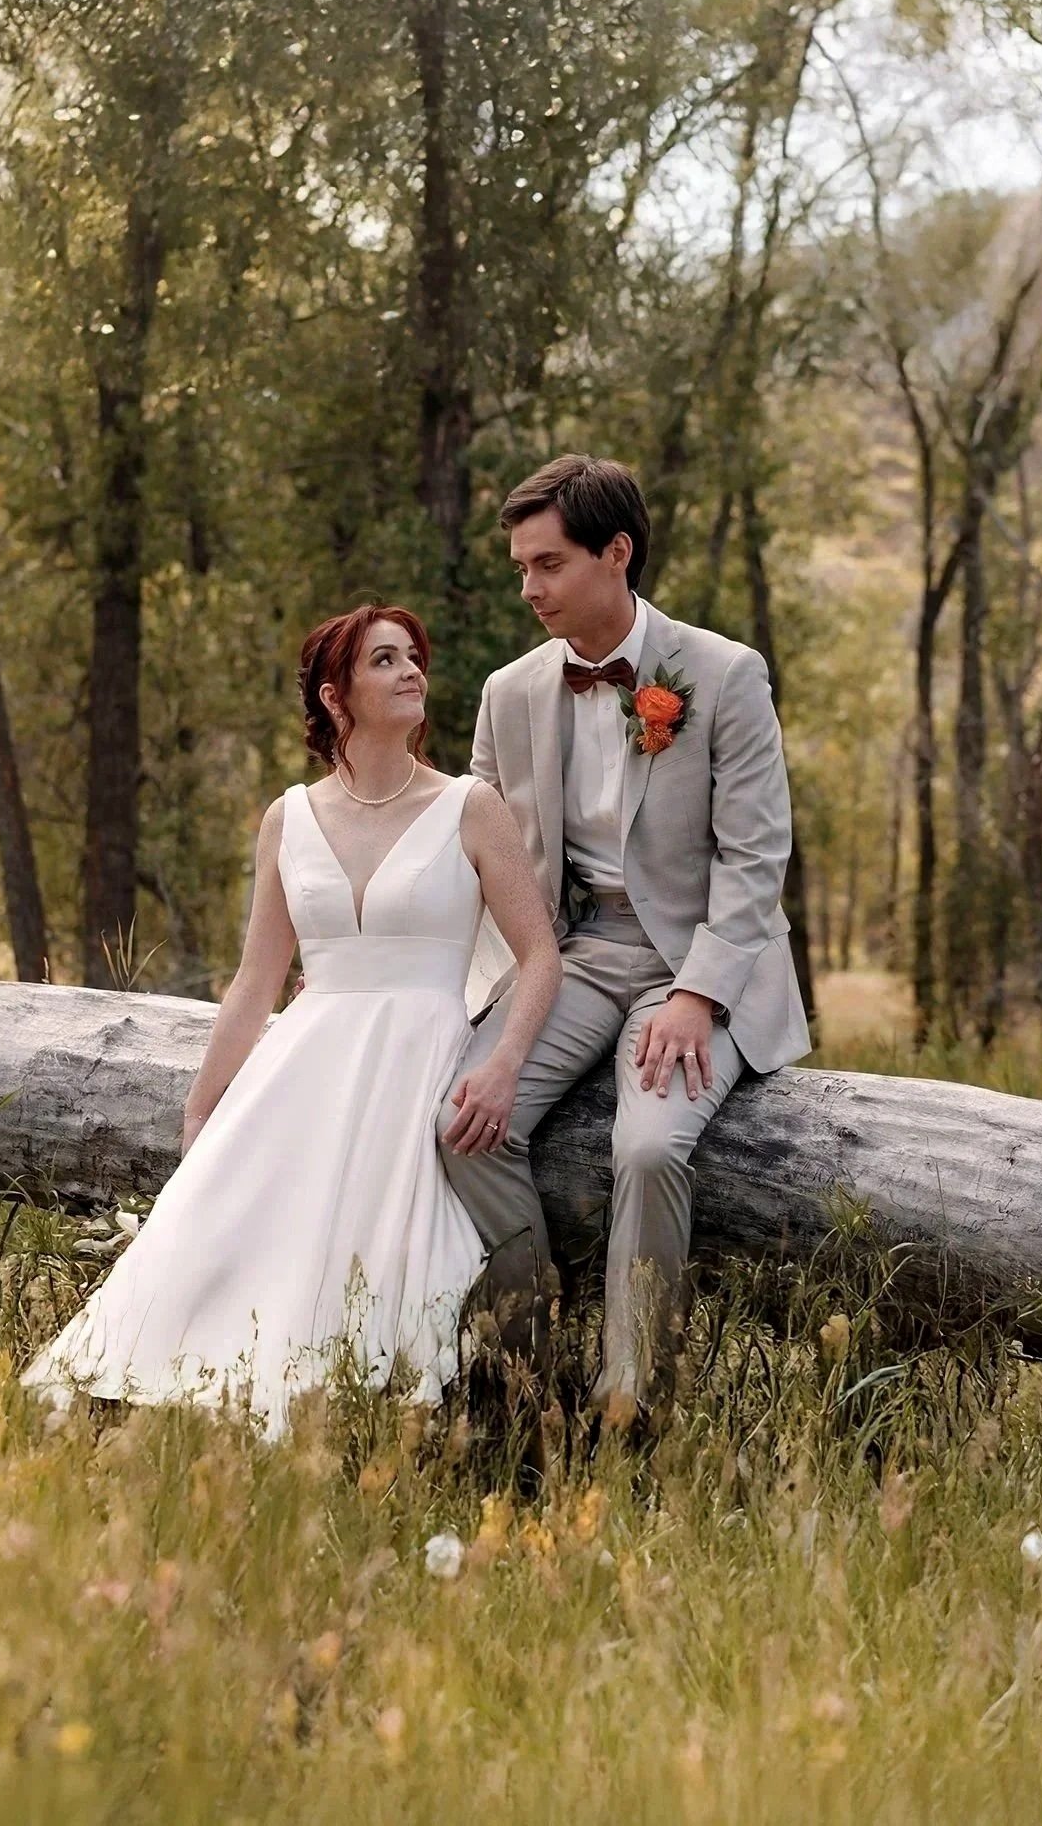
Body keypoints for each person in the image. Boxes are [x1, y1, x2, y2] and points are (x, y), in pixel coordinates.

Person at [21, 605, 561, 1440]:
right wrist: (206, 1104)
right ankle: (194, 1410)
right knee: (230, 1227)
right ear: (335, 694)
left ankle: (386, 1425)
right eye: (387, 660)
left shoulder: (469, 806)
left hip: (415, 1058)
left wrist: (504, 1062)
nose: (413, 670)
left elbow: (540, 956)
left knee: (378, 1255)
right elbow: (255, 980)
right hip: (305, 1061)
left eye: (415, 656)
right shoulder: (290, 818)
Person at [439, 455, 811, 1449]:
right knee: (463, 1123)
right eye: (521, 566)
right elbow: (474, 854)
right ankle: (527, 1353)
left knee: (647, 1144)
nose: (528, 588)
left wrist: (698, 994)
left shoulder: (723, 674)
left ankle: (631, 1401)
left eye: (548, 564)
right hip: (571, 952)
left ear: (618, 553)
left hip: (698, 959)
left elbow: (756, 856)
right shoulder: (509, 692)